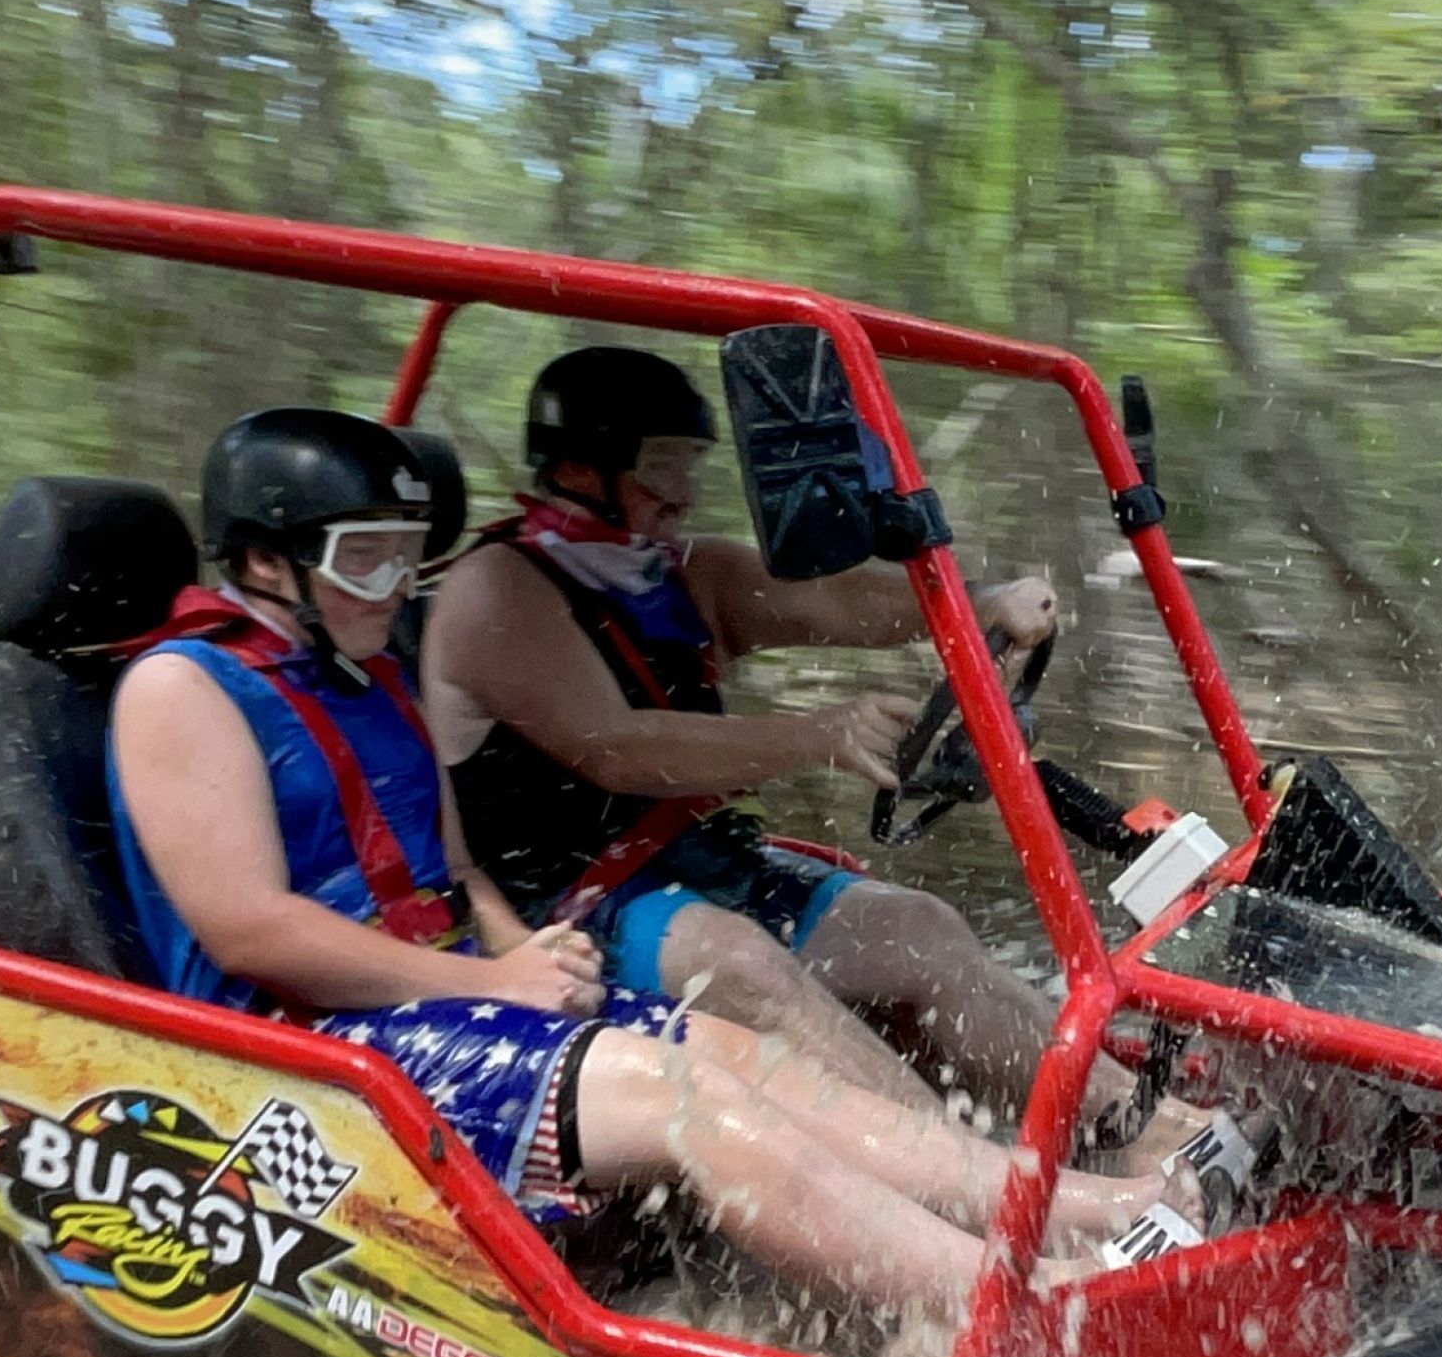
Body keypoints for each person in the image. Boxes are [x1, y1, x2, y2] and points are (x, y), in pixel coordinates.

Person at [106, 406, 1193, 1320]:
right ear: (261, 560)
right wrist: (489, 983)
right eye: (363, 557)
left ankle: (1100, 1206)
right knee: (683, 1096)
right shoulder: (183, 687)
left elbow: (451, 873)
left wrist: (522, 957)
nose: (393, 584)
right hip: (292, 1060)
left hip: (429, 1010)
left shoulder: (363, 674)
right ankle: (1024, 1300)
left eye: (404, 550)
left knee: (740, 1056)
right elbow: (248, 928)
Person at [420, 346, 1187, 1148]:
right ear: (582, 467)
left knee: (917, 928)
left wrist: (979, 602)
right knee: (742, 961)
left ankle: (1150, 1130)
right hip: (557, 906)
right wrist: (814, 735)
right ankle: (979, 1193)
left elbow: (838, 604)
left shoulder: (678, 573)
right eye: (660, 467)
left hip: (695, 867)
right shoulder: (497, 589)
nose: (683, 493)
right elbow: (616, 747)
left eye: (691, 466)